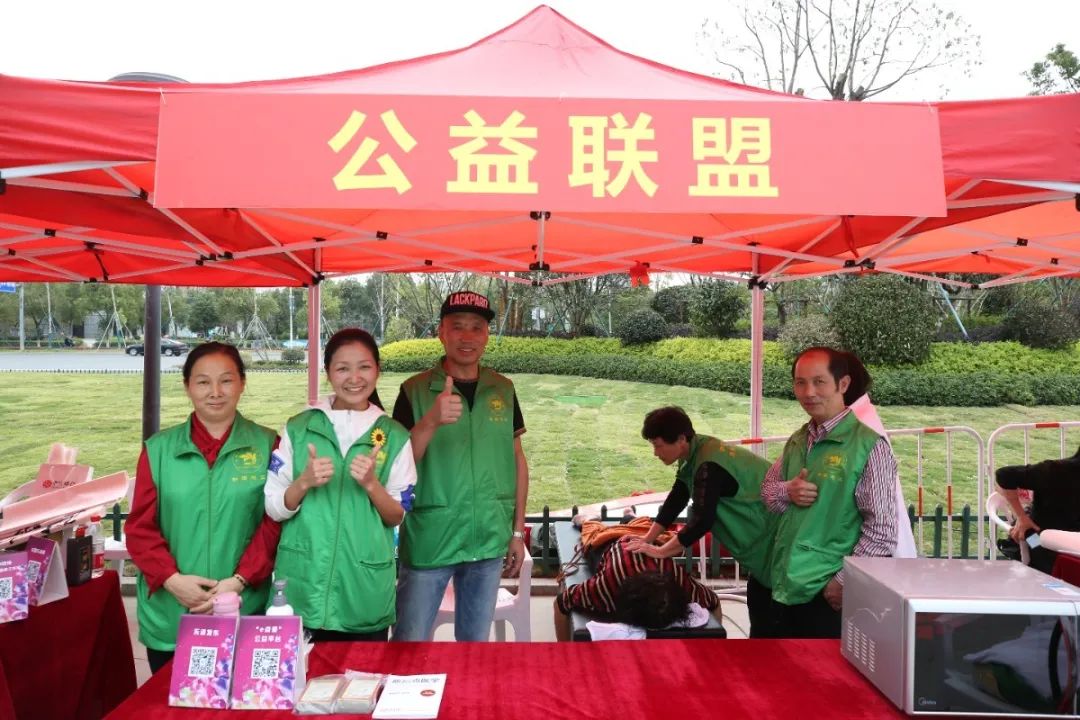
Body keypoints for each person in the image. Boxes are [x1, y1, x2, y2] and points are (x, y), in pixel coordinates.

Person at [126, 342, 280, 673]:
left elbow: (274, 523)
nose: (215, 392)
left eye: (226, 380)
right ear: (187, 387)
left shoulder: (268, 445)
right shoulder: (159, 450)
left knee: (247, 700)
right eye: (203, 382)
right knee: (173, 700)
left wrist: (239, 580)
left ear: (242, 383)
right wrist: (172, 580)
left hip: (243, 608)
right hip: (173, 613)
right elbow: (139, 528)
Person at [391, 290, 529, 642]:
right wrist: (431, 421)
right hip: (430, 539)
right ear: (441, 332)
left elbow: (517, 459)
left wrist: (516, 532)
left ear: (487, 335)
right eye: (457, 327)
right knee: (410, 644)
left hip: (488, 538)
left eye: (476, 327)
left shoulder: (503, 389)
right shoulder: (414, 391)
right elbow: (396, 464)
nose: (467, 337)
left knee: (474, 649)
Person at [265, 328, 415, 641]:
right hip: (303, 586)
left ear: (378, 370)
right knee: (300, 672)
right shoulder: (299, 428)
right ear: (328, 372)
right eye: (343, 368)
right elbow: (274, 507)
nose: (354, 378)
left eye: (364, 367)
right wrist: (303, 482)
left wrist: (372, 485)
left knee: (363, 672)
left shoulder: (394, 436)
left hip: (363, 591)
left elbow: (398, 515)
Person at [760, 347, 899, 638]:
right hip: (786, 583)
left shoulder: (869, 446)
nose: (808, 392)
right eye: (800, 383)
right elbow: (769, 493)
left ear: (843, 384)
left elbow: (882, 531)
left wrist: (842, 582)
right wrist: (788, 490)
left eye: (819, 382)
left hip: (827, 594)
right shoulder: (799, 440)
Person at [626, 407, 777, 637]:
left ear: (681, 439)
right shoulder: (695, 451)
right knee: (760, 609)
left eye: (658, 445)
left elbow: (701, 521)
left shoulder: (708, 464)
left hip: (775, 539)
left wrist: (661, 552)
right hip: (763, 546)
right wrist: (647, 540)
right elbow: (676, 499)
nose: (655, 453)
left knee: (773, 622)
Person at [554, 535, 719, 641]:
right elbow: (561, 603)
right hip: (613, 545)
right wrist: (565, 651)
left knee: (632, 523)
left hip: (645, 540)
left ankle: (629, 516)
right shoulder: (607, 586)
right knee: (594, 539)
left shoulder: (679, 580)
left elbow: (714, 601)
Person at [995, 447, 1080, 574]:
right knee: (1044, 553)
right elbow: (1004, 475)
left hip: (1071, 545)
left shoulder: (1053, 470)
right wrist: (1021, 517)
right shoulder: (1054, 471)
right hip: (1037, 541)